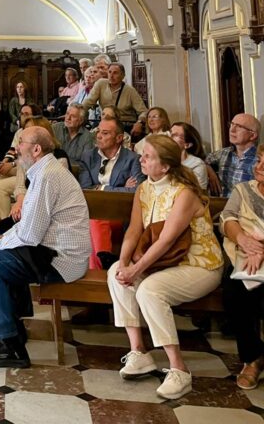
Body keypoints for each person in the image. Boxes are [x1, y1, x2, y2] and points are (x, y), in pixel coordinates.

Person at [108, 135, 223, 400]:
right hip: (163, 263)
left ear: (166, 166)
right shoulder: (144, 188)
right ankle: (139, 352)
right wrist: (124, 264)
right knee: (115, 273)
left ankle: (179, 370)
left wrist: (136, 270)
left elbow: (166, 240)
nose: (141, 159)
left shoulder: (184, 193)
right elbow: (134, 230)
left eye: (148, 156)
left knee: (150, 290)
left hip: (199, 265)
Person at [0, 126, 91, 368]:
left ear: (36, 149)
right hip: (52, 251)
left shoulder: (47, 176)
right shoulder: (44, 171)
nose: (16, 148)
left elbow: (29, 234)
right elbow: (28, 225)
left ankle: (11, 347)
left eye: (21, 143)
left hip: (61, 260)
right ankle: (11, 326)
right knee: (1, 249)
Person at [220, 145, 264, 390]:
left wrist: (261, 249)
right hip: (244, 256)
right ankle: (253, 358)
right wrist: (244, 240)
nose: (259, 167)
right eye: (258, 160)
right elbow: (227, 218)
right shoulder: (243, 189)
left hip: (257, 253)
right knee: (235, 290)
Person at [78, 117, 144, 269]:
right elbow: (85, 188)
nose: (99, 136)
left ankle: (97, 268)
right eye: (98, 131)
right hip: (92, 211)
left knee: (95, 219)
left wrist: (101, 188)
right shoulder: (88, 156)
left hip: (119, 214)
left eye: (105, 133)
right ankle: (103, 262)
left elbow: (136, 191)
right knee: (95, 219)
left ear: (119, 138)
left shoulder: (133, 159)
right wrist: (120, 187)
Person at [80, 62, 147, 130]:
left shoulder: (130, 91)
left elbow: (143, 111)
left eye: (115, 73)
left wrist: (139, 123)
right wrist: (78, 113)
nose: (111, 76)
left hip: (124, 125)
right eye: (109, 72)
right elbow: (88, 102)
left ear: (122, 76)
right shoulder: (101, 84)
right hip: (105, 123)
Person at [206, 113, 259, 197]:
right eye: (232, 124)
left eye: (239, 126)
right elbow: (202, 161)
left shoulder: (259, 159)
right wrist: (210, 171)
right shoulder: (224, 153)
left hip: (245, 205)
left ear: (252, 135)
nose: (232, 130)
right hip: (221, 204)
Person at [53, 103, 94, 169]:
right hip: (54, 170)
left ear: (81, 121)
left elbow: (86, 164)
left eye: (73, 116)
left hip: (75, 173)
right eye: (67, 114)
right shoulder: (55, 128)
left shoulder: (87, 137)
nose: (68, 118)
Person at [170, 122, 208, 189]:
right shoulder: (163, 160)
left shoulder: (196, 164)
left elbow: (198, 192)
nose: (169, 137)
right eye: (170, 133)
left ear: (187, 145)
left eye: (175, 135)